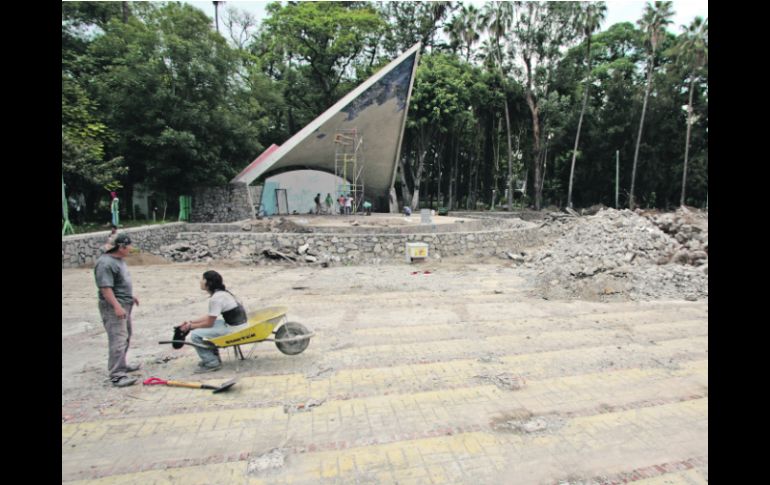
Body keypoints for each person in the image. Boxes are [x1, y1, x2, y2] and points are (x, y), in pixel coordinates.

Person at [94, 233, 141, 387]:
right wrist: (116, 306)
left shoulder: (119, 260)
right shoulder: (105, 264)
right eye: (128, 246)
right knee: (118, 339)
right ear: (121, 247)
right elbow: (105, 288)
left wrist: (130, 296)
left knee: (126, 336)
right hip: (114, 306)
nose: (130, 249)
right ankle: (117, 375)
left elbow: (119, 283)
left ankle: (122, 365)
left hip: (124, 302)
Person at [177, 270, 248, 373]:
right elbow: (211, 316)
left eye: (202, 279)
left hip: (235, 329)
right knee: (205, 327)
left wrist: (191, 327)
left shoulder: (216, 299)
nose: (200, 281)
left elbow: (208, 323)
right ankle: (212, 357)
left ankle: (211, 363)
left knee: (196, 335)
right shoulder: (222, 294)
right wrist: (191, 322)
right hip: (237, 324)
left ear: (208, 283)